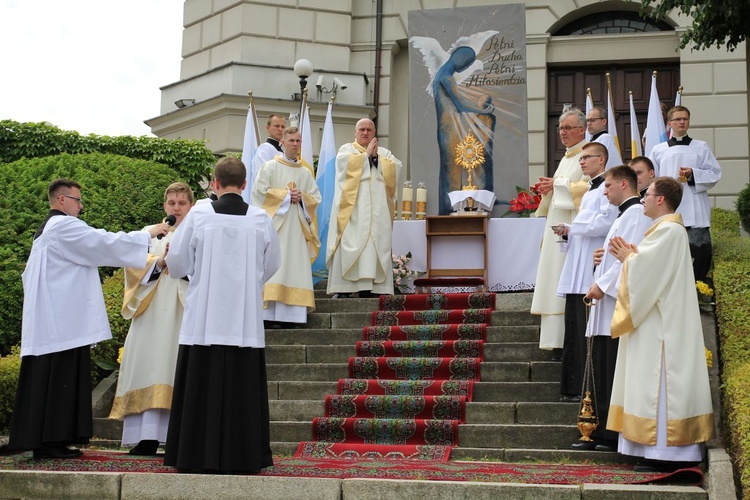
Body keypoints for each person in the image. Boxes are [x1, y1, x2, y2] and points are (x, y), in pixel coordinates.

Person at [8, 179, 169, 460]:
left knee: (55, 378)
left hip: (54, 323)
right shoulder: (63, 226)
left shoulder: (49, 230)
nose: (81, 207)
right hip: (61, 325)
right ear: (61, 200)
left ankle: (52, 439)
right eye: (77, 200)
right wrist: (146, 234)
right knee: (60, 379)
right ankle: (52, 442)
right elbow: (102, 242)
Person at [164, 157, 281, 474]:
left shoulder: (200, 214)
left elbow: (176, 260)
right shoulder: (260, 218)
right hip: (243, 321)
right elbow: (272, 264)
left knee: (201, 385)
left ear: (214, 184)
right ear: (244, 185)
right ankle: (243, 457)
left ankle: (193, 455)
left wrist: (194, 272)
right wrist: (249, 282)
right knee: (242, 387)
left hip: (204, 318)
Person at [608, 177, 715, 472]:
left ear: (660, 200)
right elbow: (647, 267)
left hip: (662, 327)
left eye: (648, 194)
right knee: (649, 385)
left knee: (661, 384)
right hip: (655, 321)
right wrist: (630, 257)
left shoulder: (668, 231)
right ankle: (648, 449)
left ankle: (668, 454)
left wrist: (628, 258)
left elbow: (647, 274)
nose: (642, 198)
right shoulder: (662, 232)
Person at [109, 182, 195, 456]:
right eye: (172, 203)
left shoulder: (198, 235)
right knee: (148, 366)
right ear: (164, 206)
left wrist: (180, 264)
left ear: (191, 206)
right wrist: (159, 263)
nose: (177, 209)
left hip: (183, 310)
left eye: (182, 203)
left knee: (174, 368)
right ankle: (146, 436)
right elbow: (132, 266)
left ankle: (179, 436)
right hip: (150, 310)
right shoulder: (151, 235)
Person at [573, 165, 651, 452]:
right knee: (601, 367)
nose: (603, 191)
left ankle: (609, 433)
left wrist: (602, 285)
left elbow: (628, 259)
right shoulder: (624, 216)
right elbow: (615, 257)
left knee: (610, 369)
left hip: (614, 304)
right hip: (605, 303)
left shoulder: (636, 215)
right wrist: (599, 261)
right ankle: (598, 430)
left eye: (607, 186)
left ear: (622, 184)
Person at [554, 142, 617, 403]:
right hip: (577, 267)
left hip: (592, 267)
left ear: (601, 160)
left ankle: (585, 385)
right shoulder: (592, 190)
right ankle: (572, 385)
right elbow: (586, 225)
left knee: (584, 329)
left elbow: (606, 222)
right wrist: (569, 231)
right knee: (573, 327)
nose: (581, 162)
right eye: (581, 158)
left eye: (587, 157)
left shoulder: (607, 188)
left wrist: (575, 228)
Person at [531, 108, 589, 354]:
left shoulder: (588, 155)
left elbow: (589, 188)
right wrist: (549, 189)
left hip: (572, 232)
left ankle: (567, 342)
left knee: (563, 281)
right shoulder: (567, 158)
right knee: (553, 279)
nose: (562, 133)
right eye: (560, 128)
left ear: (582, 129)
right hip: (557, 228)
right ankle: (555, 342)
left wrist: (557, 184)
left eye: (568, 128)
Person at [252, 127, 321, 327]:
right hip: (277, 227)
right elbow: (259, 193)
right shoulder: (270, 167)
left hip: (297, 228)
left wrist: (302, 199)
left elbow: (315, 198)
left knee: (295, 268)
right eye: (291, 140)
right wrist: (285, 196)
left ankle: (294, 316)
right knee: (277, 268)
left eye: (298, 141)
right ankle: (270, 316)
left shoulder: (305, 172)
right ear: (282, 143)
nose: (295, 144)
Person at [326, 118, 402, 298]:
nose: (365, 133)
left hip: (376, 213)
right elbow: (343, 165)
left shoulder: (383, 153)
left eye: (369, 130)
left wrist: (375, 158)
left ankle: (372, 288)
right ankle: (344, 288)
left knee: (373, 246)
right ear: (355, 132)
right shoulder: (346, 150)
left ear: (374, 132)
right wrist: (366, 156)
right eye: (362, 129)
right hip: (352, 213)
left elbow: (395, 168)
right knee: (348, 244)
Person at [649, 105, 721, 283]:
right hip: (669, 210)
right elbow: (652, 179)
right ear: (669, 123)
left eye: (685, 118)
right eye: (678, 119)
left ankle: (698, 290)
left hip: (695, 211)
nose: (682, 122)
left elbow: (714, 174)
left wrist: (693, 174)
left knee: (699, 258)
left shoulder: (701, 147)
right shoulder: (658, 150)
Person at [251, 114, 287, 183]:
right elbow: (262, 175)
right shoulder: (265, 149)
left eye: (283, 127)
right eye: (277, 126)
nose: (280, 129)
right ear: (268, 128)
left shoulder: (283, 151)